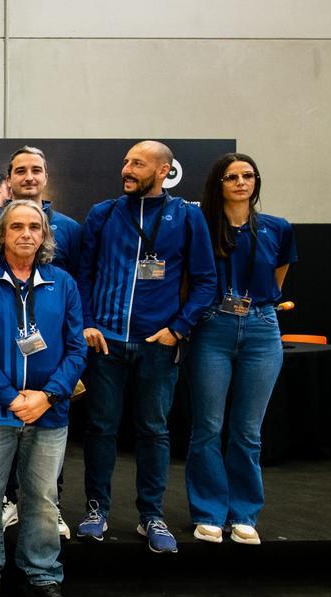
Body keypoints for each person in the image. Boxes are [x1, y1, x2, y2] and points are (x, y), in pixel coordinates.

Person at [75, 140, 217, 553]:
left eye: (137, 163)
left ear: (163, 170)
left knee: (153, 430)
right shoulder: (104, 214)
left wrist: (179, 328)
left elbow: (206, 281)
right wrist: (87, 323)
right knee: (101, 428)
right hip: (107, 344)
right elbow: (84, 275)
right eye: (125, 162)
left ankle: (150, 514)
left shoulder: (187, 216)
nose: (127, 169)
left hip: (158, 345)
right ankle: (95, 509)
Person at [0, 200, 85, 597]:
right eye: (17, 227)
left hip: (49, 414)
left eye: (34, 227)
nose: (26, 234)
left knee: (43, 500)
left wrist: (47, 396)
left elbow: (77, 347)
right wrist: (12, 398)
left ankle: (43, 576)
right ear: (0, 235)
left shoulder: (63, 283)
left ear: (45, 236)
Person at [186, 153, 295, 546]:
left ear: (256, 182)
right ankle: (209, 511)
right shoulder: (200, 226)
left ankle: (244, 512)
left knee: (248, 431)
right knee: (208, 428)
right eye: (231, 177)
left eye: (248, 175)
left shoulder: (277, 228)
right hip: (212, 327)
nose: (241, 182)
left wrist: (257, 306)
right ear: (219, 183)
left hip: (262, 328)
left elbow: (278, 278)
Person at [0, 146, 83, 537]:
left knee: (49, 438)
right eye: (20, 170)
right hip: (5, 356)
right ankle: (8, 500)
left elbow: (77, 285)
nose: (28, 177)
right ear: (8, 179)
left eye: (35, 170)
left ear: (45, 177)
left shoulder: (70, 228)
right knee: (0, 438)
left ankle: (49, 505)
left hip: (52, 354)